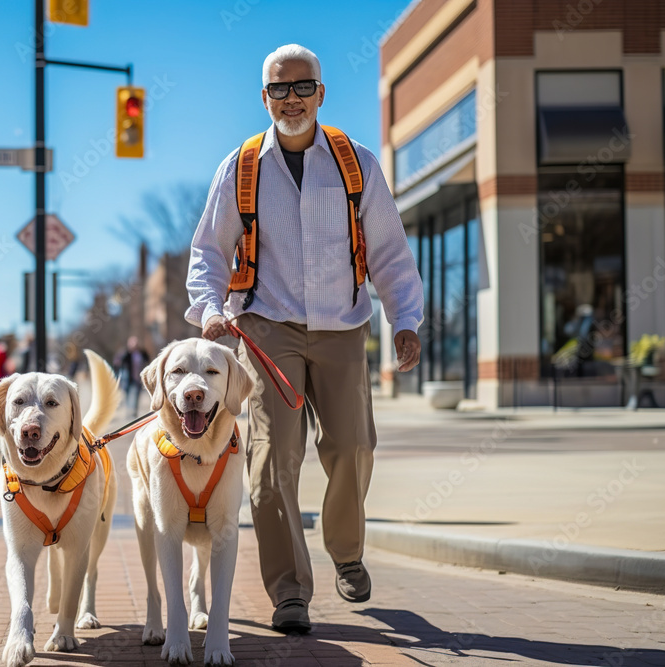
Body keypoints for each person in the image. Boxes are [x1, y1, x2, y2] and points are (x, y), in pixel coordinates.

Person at [185, 44, 423, 634]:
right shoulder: (240, 167)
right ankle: (289, 590)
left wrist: (406, 318)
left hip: (343, 326)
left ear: (321, 92)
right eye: (279, 90)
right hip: (267, 328)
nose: (290, 99)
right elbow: (207, 252)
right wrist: (211, 310)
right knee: (271, 461)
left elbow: (390, 252)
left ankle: (346, 550)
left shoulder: (355, 162)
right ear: (264, 98)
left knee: (353, 446)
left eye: (301, 87)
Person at [115, 336, 149, 417]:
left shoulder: (141, 353)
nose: (135, 345)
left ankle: (134, 411)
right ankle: (128, 410)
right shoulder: (127, 354)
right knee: (127, 394)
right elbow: (120, 362)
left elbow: (147, 359)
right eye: (133, 343)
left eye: (136, 343)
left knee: (137, 394)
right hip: (128, 378)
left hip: (138, 378)